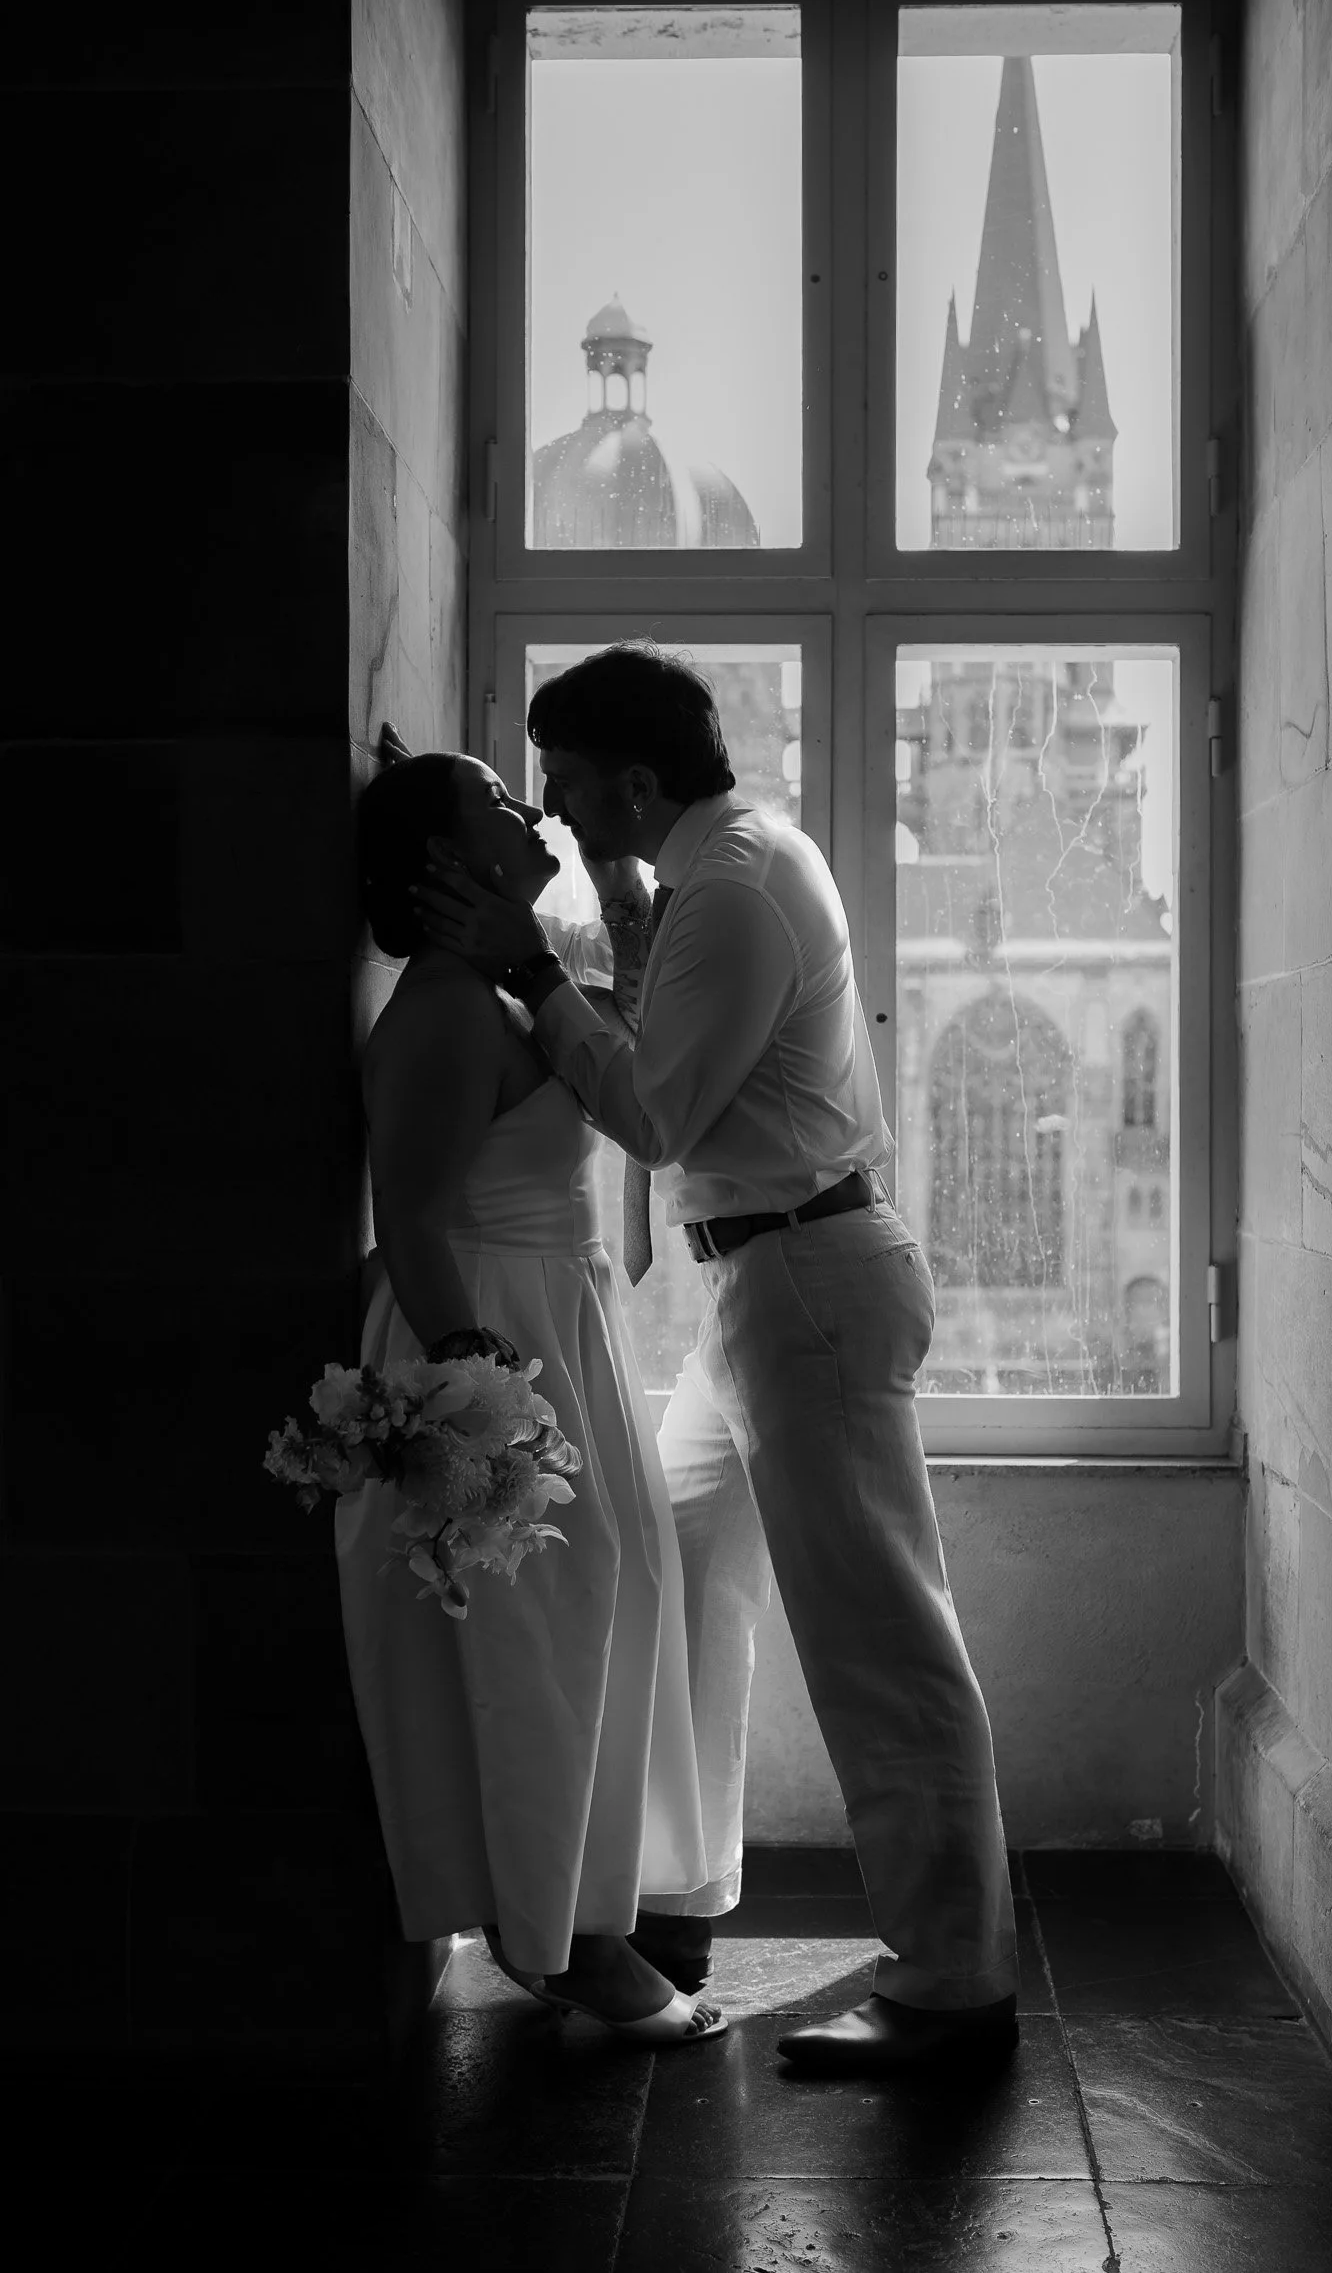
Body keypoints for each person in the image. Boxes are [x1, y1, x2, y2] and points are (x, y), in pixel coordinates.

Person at [418, 647, 1018, 2076]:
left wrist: (518, 966)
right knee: (671, 1567)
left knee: (880, 1639)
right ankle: (669, 1905)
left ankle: (953, 1985)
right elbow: (673, 1051)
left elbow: (658, 1114)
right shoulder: (720, 870)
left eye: (561, 778)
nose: (551, 811)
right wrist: (601, 947)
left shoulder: (737, 889)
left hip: (801, 1286)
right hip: (763, 1291)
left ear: (636, 778)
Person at [338, 730, 724, 2045]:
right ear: (452, 858)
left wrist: (556, 922)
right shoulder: (446, 1011)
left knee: (609, 1600)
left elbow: (625, 1055)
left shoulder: (503, 984)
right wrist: (465, 1382)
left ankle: (575, 1913)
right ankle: (563, 1942)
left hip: (554, 1315)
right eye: (501, 799)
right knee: (544, 1634)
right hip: (494, 1334)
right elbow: (414, 1212)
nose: (532, 807)